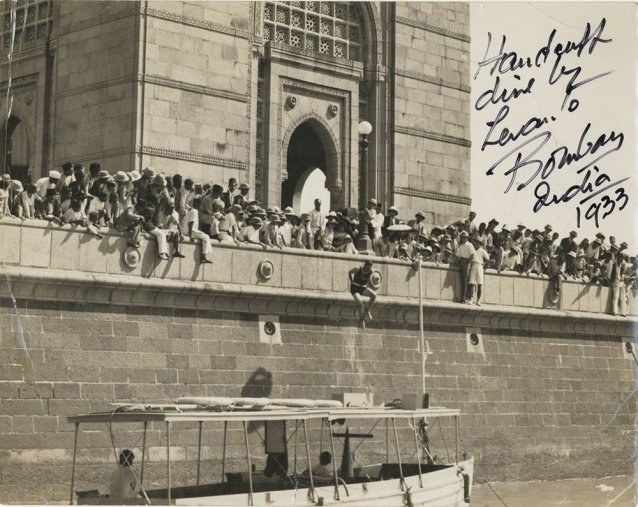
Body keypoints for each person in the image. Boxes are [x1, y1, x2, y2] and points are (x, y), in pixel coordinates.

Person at [181, 198, 213, 263]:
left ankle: (204, 255)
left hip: (187, 230)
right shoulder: (195, 211)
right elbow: (191, 223)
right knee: (206, 237)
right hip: (189, 231)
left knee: (204, 237)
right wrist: (190, 235)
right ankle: (203, 256)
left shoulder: (191, 210)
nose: (201, 207)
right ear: (199, 205)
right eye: (201, 205)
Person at [467, 238, 490, 306]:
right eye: (475, 242)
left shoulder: (482, 251)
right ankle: (471, 299)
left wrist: (483, 263)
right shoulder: (472, 250)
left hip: (479, 266)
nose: (475, 244)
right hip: (473, 265)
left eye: (477, 243)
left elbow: (488, 258)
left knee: (480, 284)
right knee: (472, 283)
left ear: (480, 244)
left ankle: (478, 300)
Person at [454, 231, 475, 303]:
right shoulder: (461, 245)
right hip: (461, 261)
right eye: (462, 237)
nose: (463, 239)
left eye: (464, 237)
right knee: (462, 280)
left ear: (467, 238)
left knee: (465, 281)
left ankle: (463, 298)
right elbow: (458, 255)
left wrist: (468, 263)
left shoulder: (470, 245)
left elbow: (472, 255)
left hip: (466, 261)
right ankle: (462, 297)